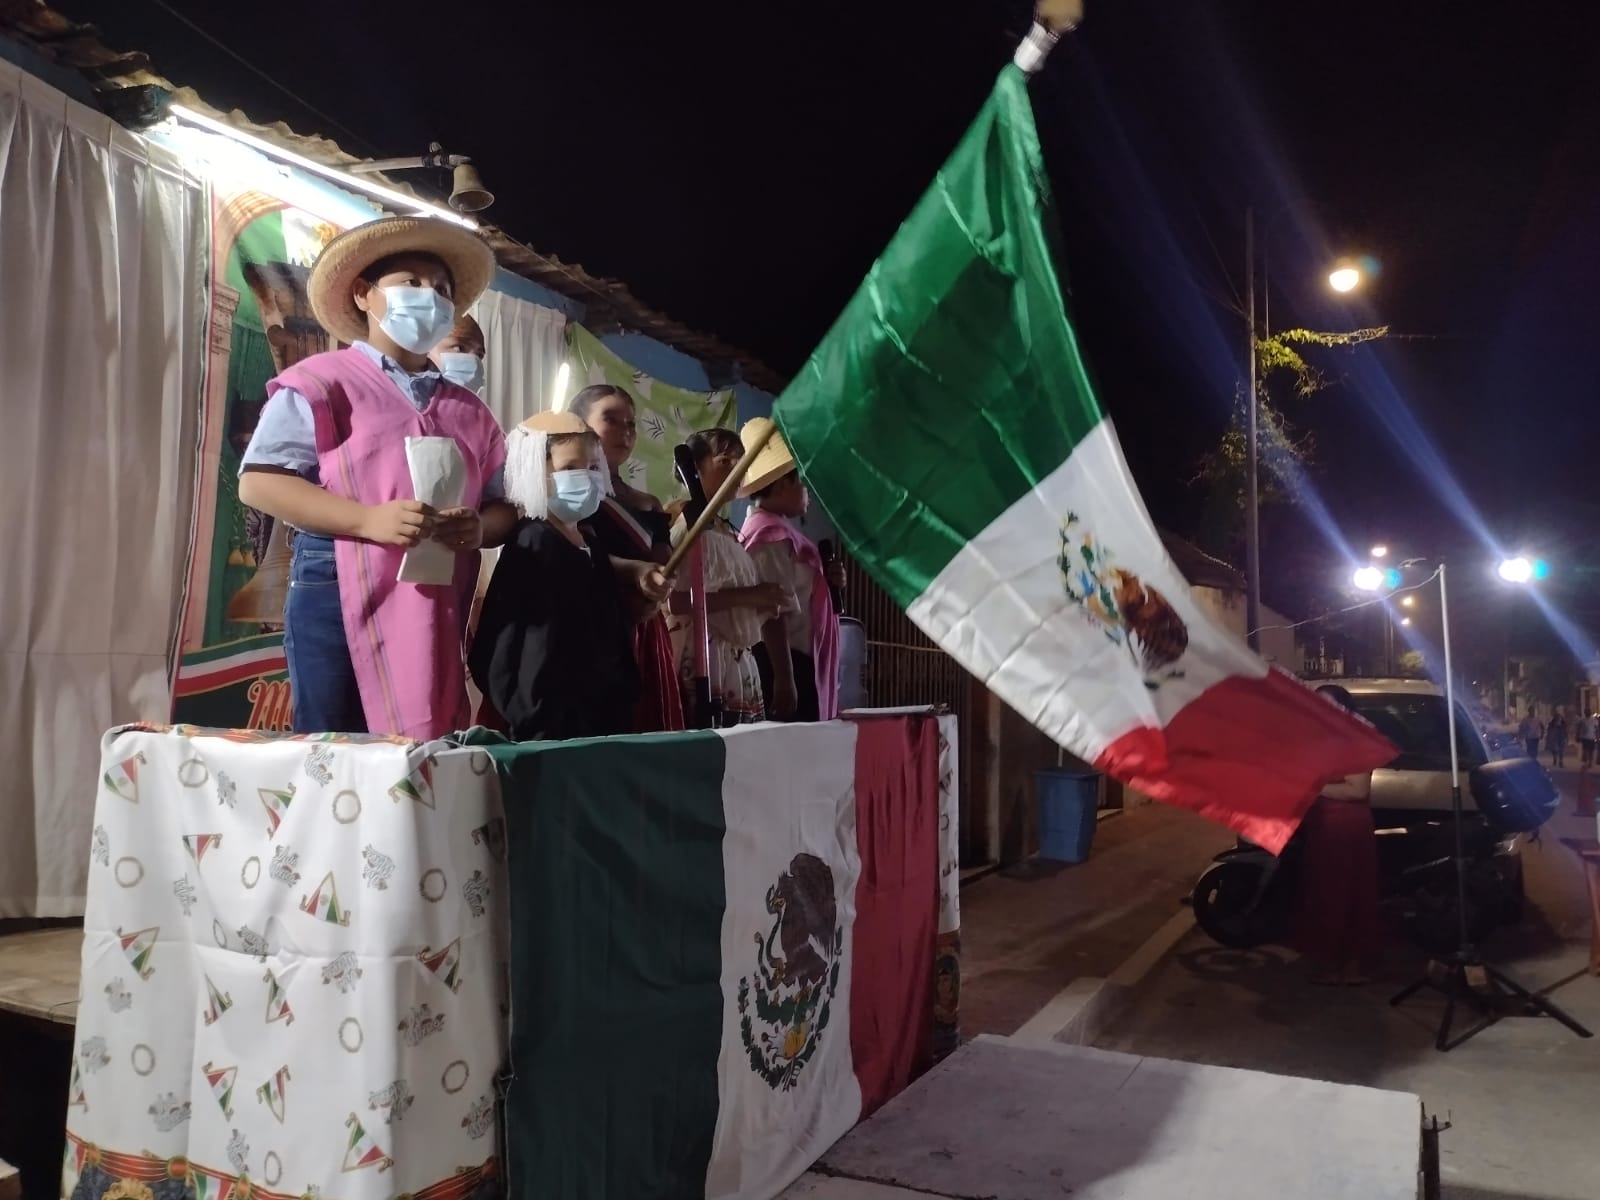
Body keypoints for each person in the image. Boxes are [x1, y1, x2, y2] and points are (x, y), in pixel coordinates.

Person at [238, 216, 517, 739]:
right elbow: (259, 481)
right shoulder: (321, 383)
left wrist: (480, 529)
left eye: (441, 290)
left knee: (420, 735)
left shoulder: (471, 412)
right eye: (411, 283)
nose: (430, 297)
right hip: (336, 576)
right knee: (335, 742)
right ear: (364, 294)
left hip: (435, 589)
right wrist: (366, 519)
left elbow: (504, 504)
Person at [469, 412, 670, 740]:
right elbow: (525, 647)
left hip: (599, 720)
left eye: (592, 467)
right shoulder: (535, 540)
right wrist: (539, 717)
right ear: (536, 471)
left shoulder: (588, 542)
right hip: (552, 729)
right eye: (569, 468)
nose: (586, 477)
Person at [568, 384, 686, 733]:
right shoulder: (569, 494)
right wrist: (632, 575)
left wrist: (659, 587)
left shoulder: (647, 503)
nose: (626, 431)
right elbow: (579, 555)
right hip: (592, 629)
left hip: (644, 630)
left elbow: (665, 565)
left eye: (632, 424)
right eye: (611, 420)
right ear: (581, 425)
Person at [671, 429, 788, 725]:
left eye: (741, 461)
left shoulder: (724, 529)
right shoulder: (682, 520)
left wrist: (760, 602)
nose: (738, 468)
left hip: (736, 663)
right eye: (726, 460)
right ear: (695, 468)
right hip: (703, 661)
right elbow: (674, 602)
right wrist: (750, 596)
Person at [736, 417, 846, 722]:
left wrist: (828, 580)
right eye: (802, 482)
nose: (807, 492)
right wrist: (784, 679)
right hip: (784, 664)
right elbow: (773, 613)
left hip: (797, 663)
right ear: (783, 483)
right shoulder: (768, 539)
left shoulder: (781, 534)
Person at [1295, 685, 1382, 986]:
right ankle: (1330, 963)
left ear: (1346, 709)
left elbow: (1357, 790)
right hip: (1322, 826)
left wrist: (1312, 787)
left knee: (1347, 894)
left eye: (1329, 705)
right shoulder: (1321, 741)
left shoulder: (1356, 742)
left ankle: (1350, 967)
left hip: (1346, 828)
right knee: (1324, 893)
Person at [430, 313, 487, 394]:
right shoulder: (407, 402)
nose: (473, 361)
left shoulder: (477, 406)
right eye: (460, 348)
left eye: (479, 355)